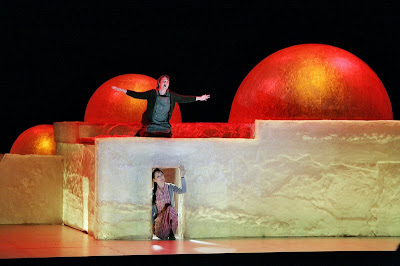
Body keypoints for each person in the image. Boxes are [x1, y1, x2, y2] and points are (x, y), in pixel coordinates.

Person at [112, 75, 210, 137]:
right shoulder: (152, 93)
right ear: (159, 83)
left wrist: (199, 98)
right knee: (142, 136)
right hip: (151, 126)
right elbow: (138, 95)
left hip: (164, 127)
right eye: (163, 81)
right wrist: (121, 90)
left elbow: (184, 99)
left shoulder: (171, 95)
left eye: (167, 82)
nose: (165, 83)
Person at [151, 165, 187, 240]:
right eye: (158, 176)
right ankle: (164, 233)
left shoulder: (170, 187)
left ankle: (171, 234)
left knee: (171, 209)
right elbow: (152, 212)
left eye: (161, 175)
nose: (161, 177)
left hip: (170, 226)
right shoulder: (153, 192)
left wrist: (182, 177)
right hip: (160, 226)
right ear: (154, 180)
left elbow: (183, 190)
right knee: (169, 209)